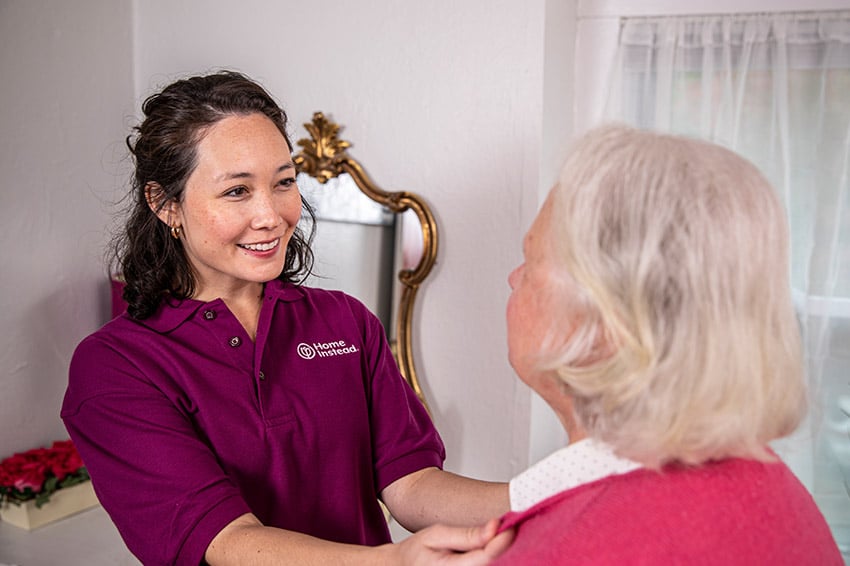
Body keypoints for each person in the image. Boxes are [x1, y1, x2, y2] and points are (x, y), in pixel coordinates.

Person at [61, 71, 511, 566]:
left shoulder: (345, 323)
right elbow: (226, 540)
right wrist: (393, 561)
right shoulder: (116, 365)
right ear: (165, 205)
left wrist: (553, 490)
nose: (272, 215)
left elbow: (412, 484)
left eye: (283, 182)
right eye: (237, 191)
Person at [492, 125, 843, 564]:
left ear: (607, 321)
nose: (513, 278)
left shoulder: (576, 547)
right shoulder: (770, 490)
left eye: (531, 261)